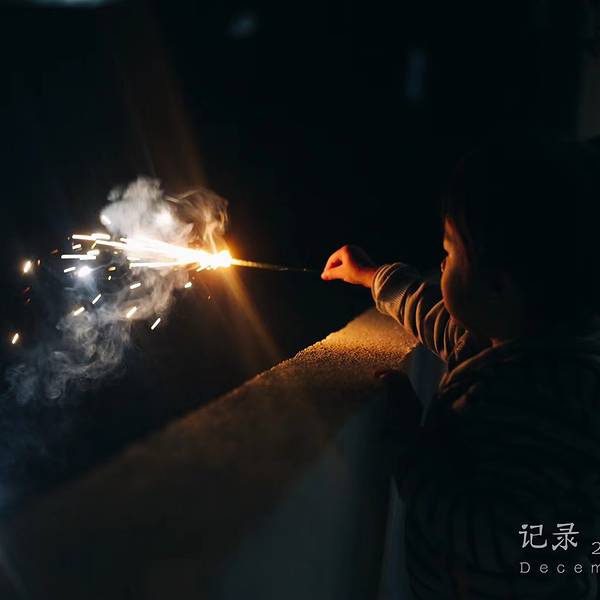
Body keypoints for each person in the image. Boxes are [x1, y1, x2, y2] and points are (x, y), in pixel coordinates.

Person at [321, 139, 600, 599]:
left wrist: (411, 450)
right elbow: (442, 321)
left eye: (449, 253)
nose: (441, 263)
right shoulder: (520, 341)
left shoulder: (535, 398)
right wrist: (373, 277)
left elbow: (501, 540)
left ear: (498, 287)